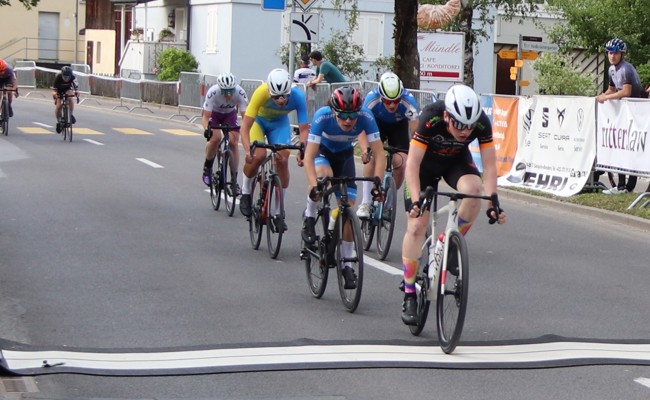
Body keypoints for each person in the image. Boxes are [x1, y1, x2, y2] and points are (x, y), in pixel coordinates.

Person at [400, 84, 506, 325]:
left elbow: (490, 166)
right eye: (459, 125)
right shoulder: (430, 117)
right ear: (447, 116)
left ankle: (448, 243)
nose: (465, 131)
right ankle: (409, 293)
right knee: (416, 226)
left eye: (469, 126)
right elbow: (412, 165)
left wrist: (493, 201)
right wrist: (415, 200)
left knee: (475, 191)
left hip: (454, 162)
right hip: (424, 167)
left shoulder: (481, 123)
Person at [301, 86, 386, 289]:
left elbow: (380, 155)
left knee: (347, 208)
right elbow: (308, 157)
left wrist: (378, 184)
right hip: (322, 152)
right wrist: (314, 186)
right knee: (324, 177)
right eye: (343, 116)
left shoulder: (366, 116)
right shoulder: (323, 116)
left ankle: (347, 263)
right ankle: (310, 214)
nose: (348, 120)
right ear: (334, 111)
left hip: (345, 156)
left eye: (353, 116)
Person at [239, 68, 310, 226]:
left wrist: (302, 149)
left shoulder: (298, 96)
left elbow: (304, 129)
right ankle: (245, 191)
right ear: (269, 92)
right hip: (258, 122)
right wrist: (247, 151)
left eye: (284, 96)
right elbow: (245, 128)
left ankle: (279, 212)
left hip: (279, 124)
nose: (280, 100)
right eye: (275, 97)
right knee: (258, 156)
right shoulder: (261, 92)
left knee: (282, 160)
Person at [356, 71, 419, 219]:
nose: (391, 105)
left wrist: (416, 154)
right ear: (380, 97)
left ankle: (388, 202)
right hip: (376, 124)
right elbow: (361, 129)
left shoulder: (409, 101)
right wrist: (365, 149)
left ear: (401, 97)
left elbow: (416, 133)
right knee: (371, 157)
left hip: (398, 126)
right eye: (387, 101)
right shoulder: (371, 99)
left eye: (396, 101)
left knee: (402, 162)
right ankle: (366, 201)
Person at [596, 38, 645, 195]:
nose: (612, 56)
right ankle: (621, 186)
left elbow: (626, 92)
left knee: (632, 148)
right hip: (624, 114)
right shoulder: (611, 69)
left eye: (616, 53)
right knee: (621, 147)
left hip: (637, 112)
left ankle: (628, 186)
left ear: (622, 54)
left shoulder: (625, 69)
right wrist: (601, 96)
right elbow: (612, 89)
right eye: (610, 53)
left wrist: (606, 98)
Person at [201, 72, 249, 191]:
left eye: (231, 91)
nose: (228, 95)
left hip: (230, 115)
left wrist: (246, 130)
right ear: (220, 89)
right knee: (215, 138)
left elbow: (246, 117)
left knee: (234, 142)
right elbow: (205, 117)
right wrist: (207, 129)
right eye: (225, 92)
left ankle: (233, 180)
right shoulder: (213, 92)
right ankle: (207, 168)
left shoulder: (240, 92)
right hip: (214, 114)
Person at [52, 66, 79, 134]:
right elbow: (54, 90)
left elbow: (76, 88)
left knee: (70, 97)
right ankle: (59, 121)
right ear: (62, 75)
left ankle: (71, 114)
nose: (66, 79)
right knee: (59, 106)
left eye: (68, 77)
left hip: (67, 89)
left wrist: (77, 92)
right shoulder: (58, 77)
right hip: (59, 90)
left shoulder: (73, 77)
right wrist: (55, 94)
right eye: (65, 77)